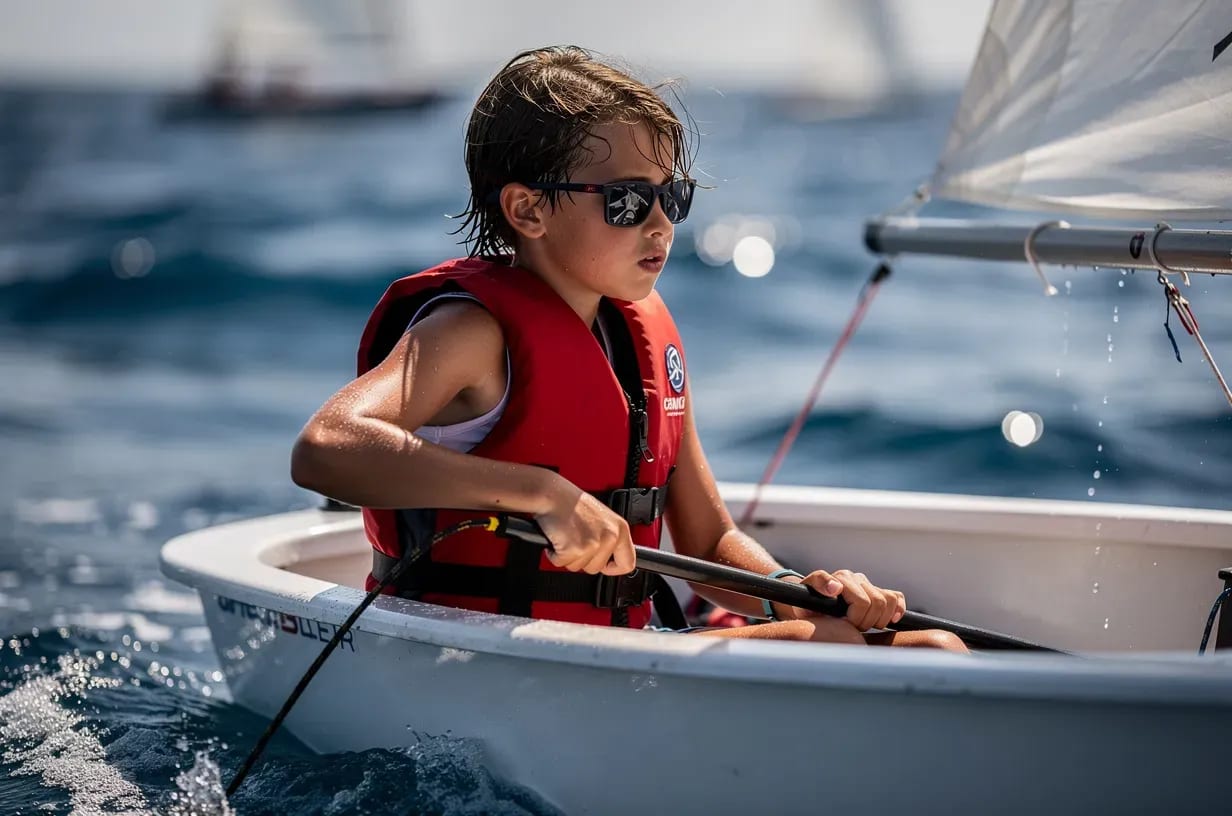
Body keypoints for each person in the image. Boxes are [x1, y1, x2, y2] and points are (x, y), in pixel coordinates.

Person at [291, 46, 967, 652]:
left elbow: (706, 541)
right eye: (625, 201)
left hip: (622, 647)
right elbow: (325, 447)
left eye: (673, 195)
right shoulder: (473, 333)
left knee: (923, 647)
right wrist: (539, 493)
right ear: (528, 211)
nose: (661, 222)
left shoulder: (642, 335)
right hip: (488, 652)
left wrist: (796, 587)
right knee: (865, 650)